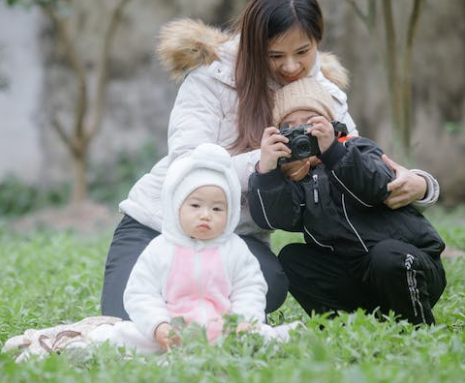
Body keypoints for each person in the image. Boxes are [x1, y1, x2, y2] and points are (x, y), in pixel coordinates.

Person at [101, 0, 440, 320]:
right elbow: (187, 167)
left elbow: (359, 162)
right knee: (123, 321)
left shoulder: (325, 94)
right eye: (275, 55)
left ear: (316, 41)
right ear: (252, 45)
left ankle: (193, 314)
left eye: (303, 52)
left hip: (236, 238)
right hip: (159, 226)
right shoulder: (210, 77)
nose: (291, 67)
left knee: (269, 286)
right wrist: (266, 164)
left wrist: (423, 185)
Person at [3, 143, 300, 362]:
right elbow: (141, 293)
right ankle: (63, 346)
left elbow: (250, 288)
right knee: (122, 336)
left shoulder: (235, 250)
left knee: (264, 336)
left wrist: (242, 321)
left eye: (217, 208)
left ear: (232, 210)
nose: (206, 215)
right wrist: (159, 325)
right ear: (177, 207)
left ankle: (295, 336)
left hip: (222, 327)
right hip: (170, 327)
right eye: (195, 206)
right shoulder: (162, 248)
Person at [248, 77, 447, 325]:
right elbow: (276, 218)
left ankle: (416, 326)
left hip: (408, 267)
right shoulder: (298, 177)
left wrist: (333, 152)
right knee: (292, 257)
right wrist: (267, 173)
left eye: (310, 123)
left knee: (387, 256)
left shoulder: (358, 148)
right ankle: (342, 328)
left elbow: (374, 187)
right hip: (352, 275)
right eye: (289, 127)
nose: (302, 133)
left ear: (331, 124)